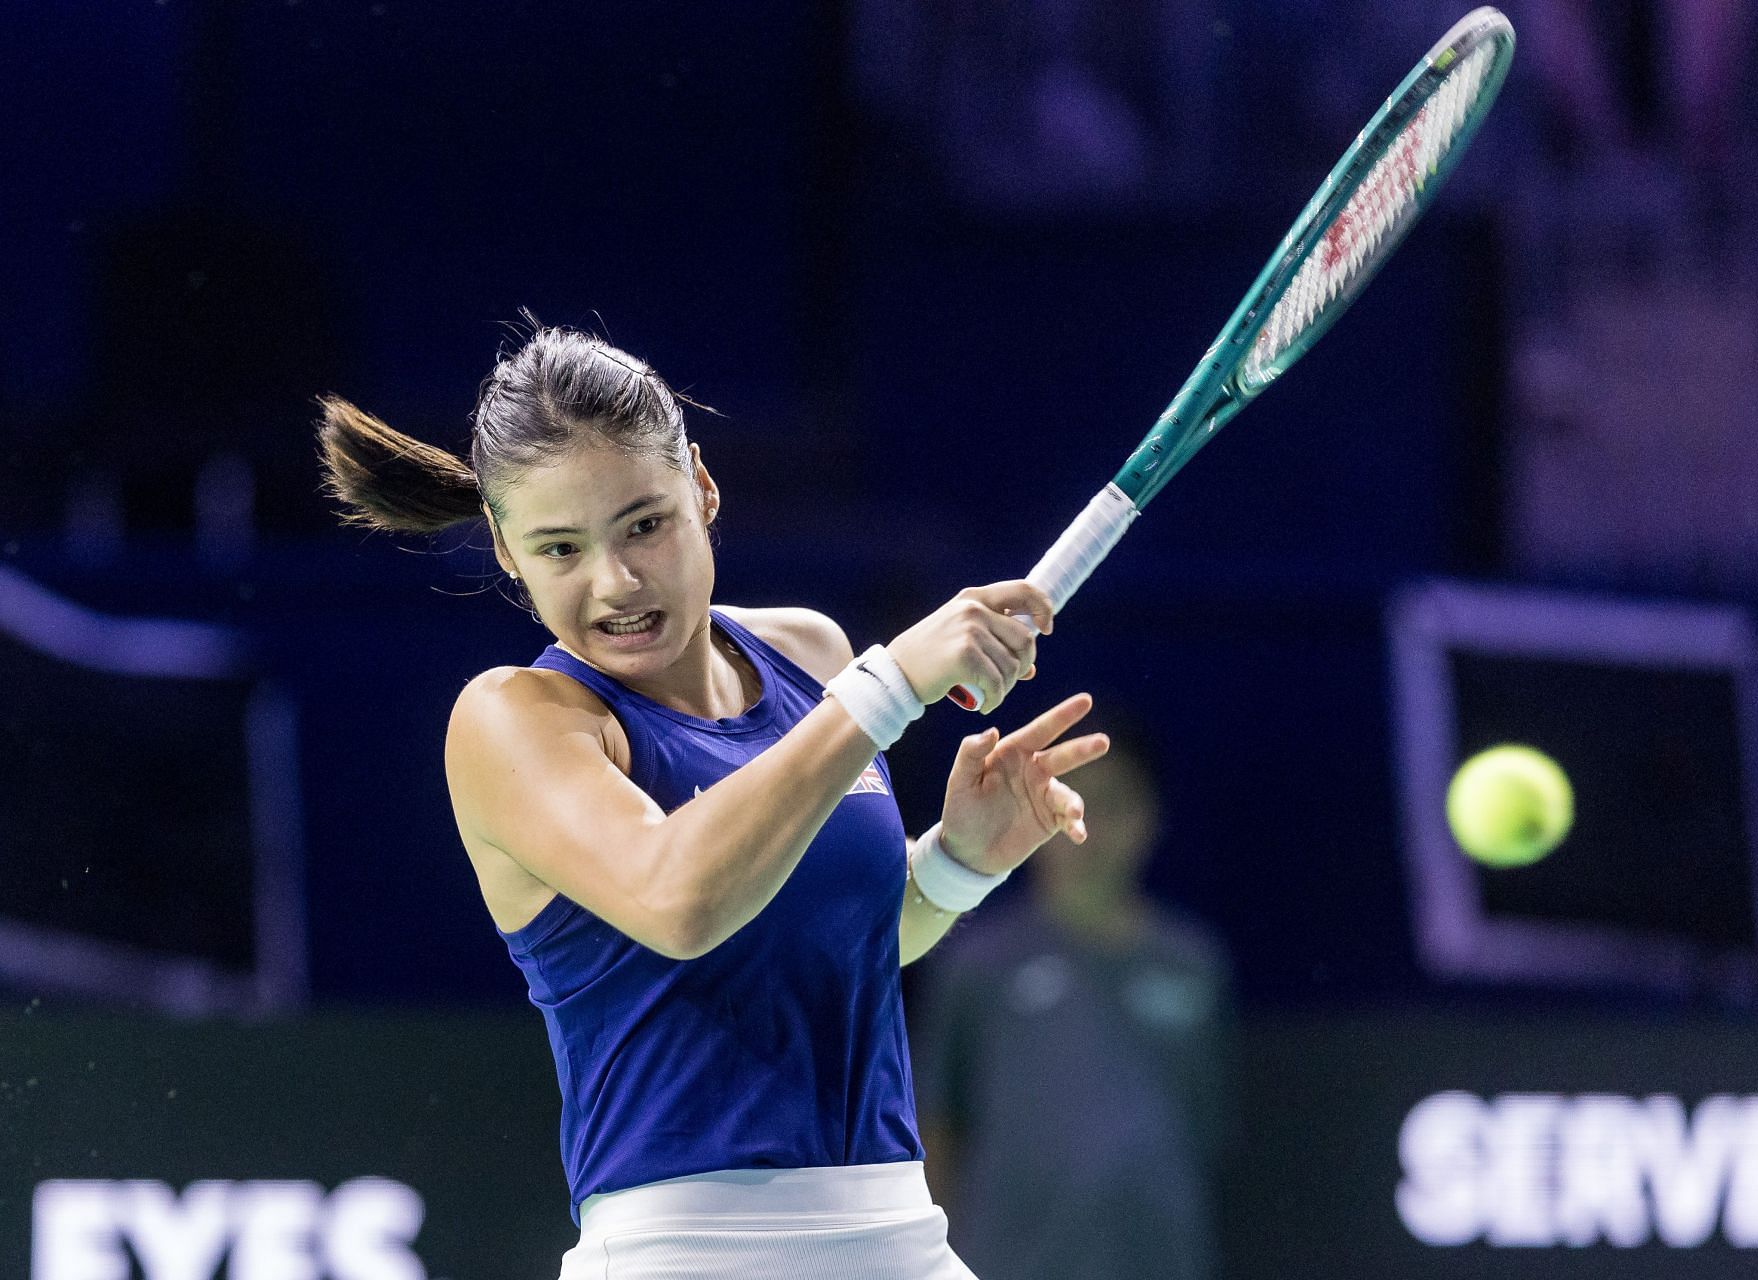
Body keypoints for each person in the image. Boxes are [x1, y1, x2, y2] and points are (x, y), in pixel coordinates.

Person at [313, 322, 1110, 1279]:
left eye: (644, 524)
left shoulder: (812, 656)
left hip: (901, 1238)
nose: (615, 583)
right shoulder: (515, 722)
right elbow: (679, 902)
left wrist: (955, 864)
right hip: (687, 1252)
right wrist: (889, 685)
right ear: (508, 553)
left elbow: (830, 939)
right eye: (561, 549)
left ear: (703, 487)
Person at [913, 732, 1232, 1280]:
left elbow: (1212, 1134)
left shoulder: (1195, 965)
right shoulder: (977, 963)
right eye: (1073, 801)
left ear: (1148, 818)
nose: (1091, 829)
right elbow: (937, 1129)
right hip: (1009, 1264)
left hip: (1166, 1261)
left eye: (1112, 805)